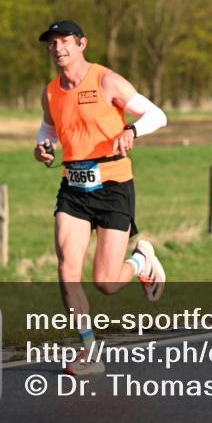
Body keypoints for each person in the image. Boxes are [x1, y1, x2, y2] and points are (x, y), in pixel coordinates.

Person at [34, 20, 168, 376]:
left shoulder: (107, 80)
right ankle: (89, 351)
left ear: (82, 44)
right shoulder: (50, 91)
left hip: (113, 186)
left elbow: (158, 114)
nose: (58, 48)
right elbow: (49, 128)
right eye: (52, 43)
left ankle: (141, 261)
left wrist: (133, 129)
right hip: (73, 188)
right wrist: (43, 147)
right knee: (67, 269)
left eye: (65, 41)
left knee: (106, 282)